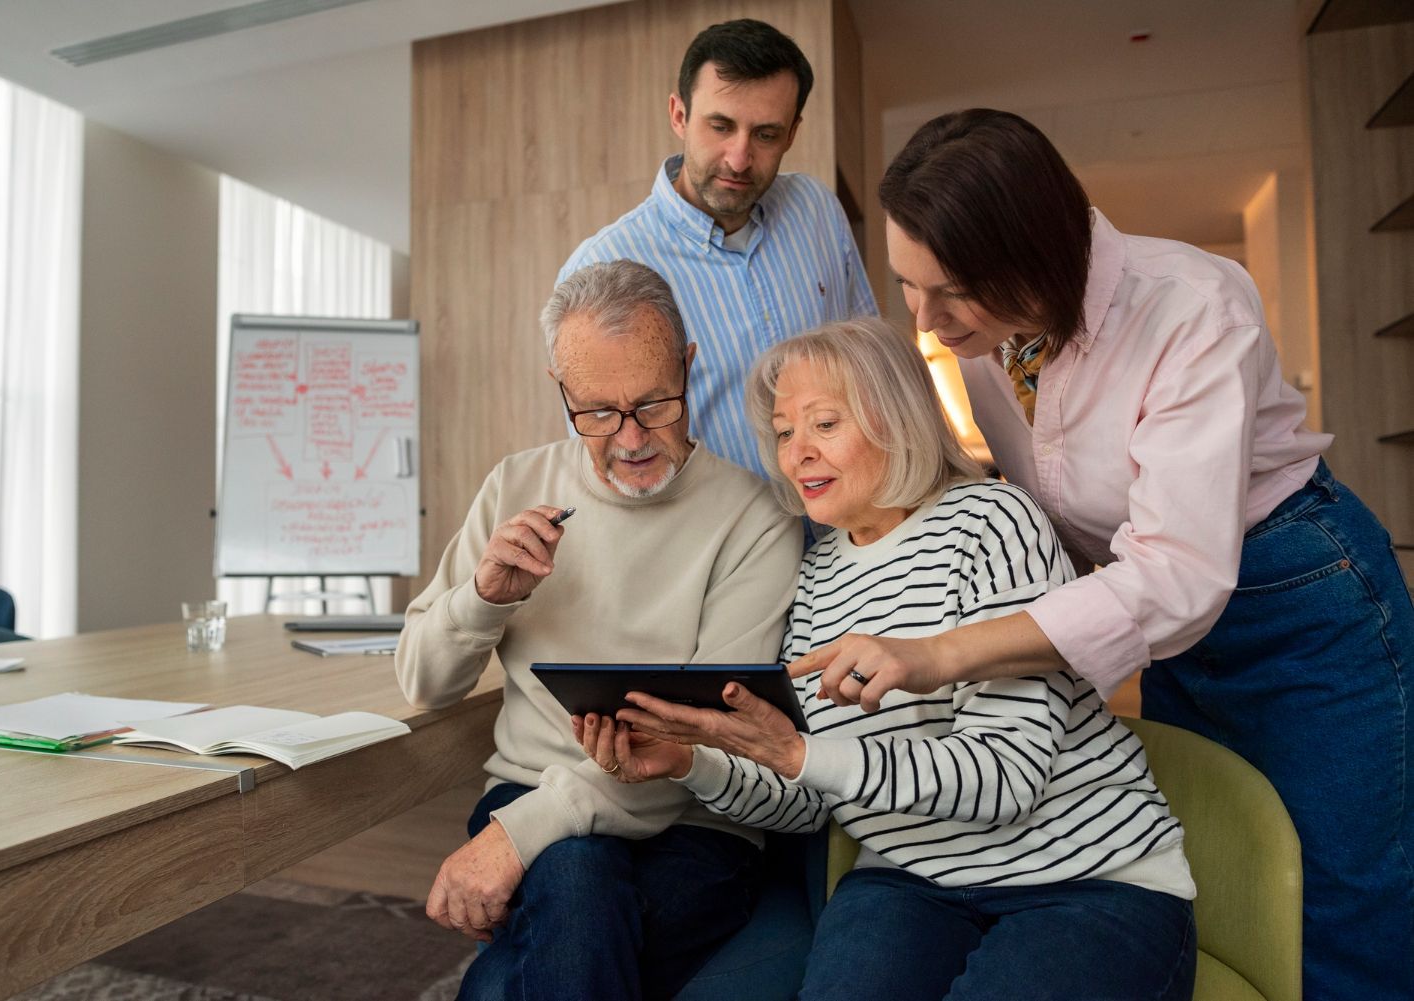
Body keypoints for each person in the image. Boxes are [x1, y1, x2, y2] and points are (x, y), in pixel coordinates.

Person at [793, 108, 1414, 999]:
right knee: (1226, 850)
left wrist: (939, 652)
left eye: (949, 293)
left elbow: (1176, 576)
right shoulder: (983, 336)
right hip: (1145, 604)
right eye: (909, 286)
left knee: (1345, 895)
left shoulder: (1194, 305)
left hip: (1294, 590)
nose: (925, 323)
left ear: (1034, 256)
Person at [575, 318, 1197, 1000]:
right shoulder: (816, 578)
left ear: (895, 419)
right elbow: (809, 798)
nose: (797, 453)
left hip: (1084, 879)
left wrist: (804, 755)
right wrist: (692, 761)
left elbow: (1007, 777)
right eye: (784, 432)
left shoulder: (994, 521)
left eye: (824, 423)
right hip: (910, 880)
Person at [394, 259, 802, 1000]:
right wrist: (484, 596)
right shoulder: (515, 485)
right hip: (527, 789)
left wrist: (518, 839)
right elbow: (423, 679)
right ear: (561, 389)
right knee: (579, 877)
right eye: (598, 412)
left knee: (546, 928)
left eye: (654, 403)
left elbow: (706, 737)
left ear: (688, 365)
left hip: (693, 820)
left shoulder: (754, 518)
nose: (631, 438)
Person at [559, 17, 876, 482]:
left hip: (848, 538)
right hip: (723, 550)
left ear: (792, 133)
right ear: (679, 115)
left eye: (766, 134)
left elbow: (870, 370)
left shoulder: (817, 210)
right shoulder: (602, 268)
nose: (739, 158)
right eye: (721, 126)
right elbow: (604, 464)